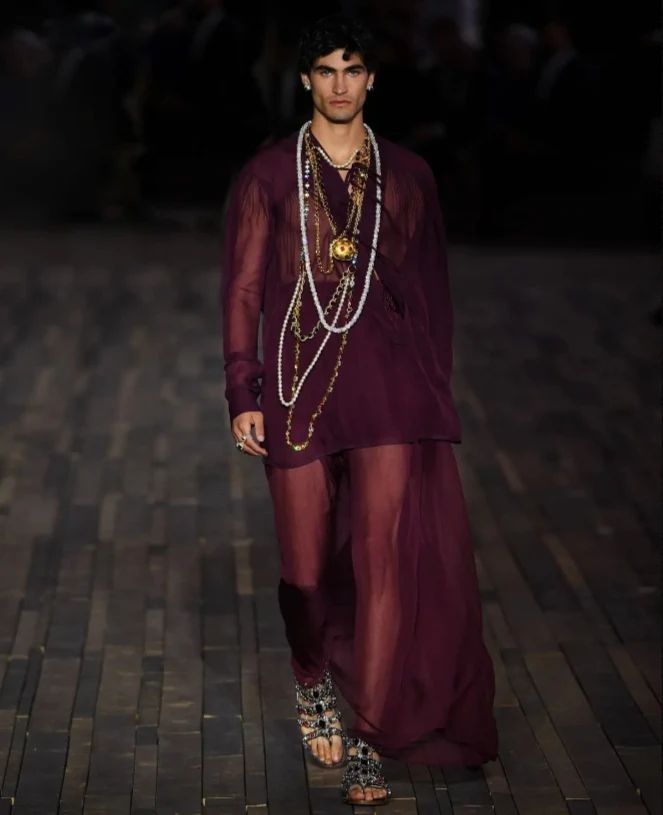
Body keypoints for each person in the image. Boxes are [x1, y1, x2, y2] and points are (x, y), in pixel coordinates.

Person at [221, 14, 498, 806]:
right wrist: (242, 391)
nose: (340, 84)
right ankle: (312, 675)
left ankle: (370, 735)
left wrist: (433, 393)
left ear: (372, 79)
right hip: (297, 389)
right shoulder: (268, 177)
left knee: (384, 569)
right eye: (326, 70)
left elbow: (430, 293)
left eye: (353, 69)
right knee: (304, 572)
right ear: (305, 80)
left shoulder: (407, 175)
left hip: (390, 396)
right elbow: (243, 290)